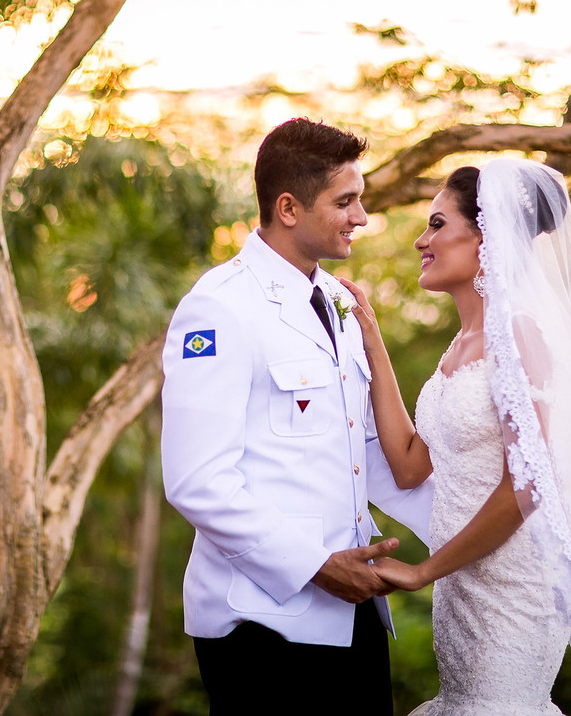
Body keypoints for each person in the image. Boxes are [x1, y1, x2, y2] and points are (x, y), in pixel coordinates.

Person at [340, 158, 571, 715]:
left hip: (512, 587)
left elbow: (527, 486)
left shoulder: (519, 334)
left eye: (437, 224)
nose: (421, 240)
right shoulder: (458, 347)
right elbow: (409, 465)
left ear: (486, 236)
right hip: (463, 586)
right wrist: (372, 342)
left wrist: (423, 571)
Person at [161, 118, 434, 715]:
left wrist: (469, 540)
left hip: (355, 612)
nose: (362, 217)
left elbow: (364, 452)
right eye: (345, 201)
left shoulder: (338, 300)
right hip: (263, 628)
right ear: (288, 208)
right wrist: (315, 566)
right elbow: (196, 481)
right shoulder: (218, 307)